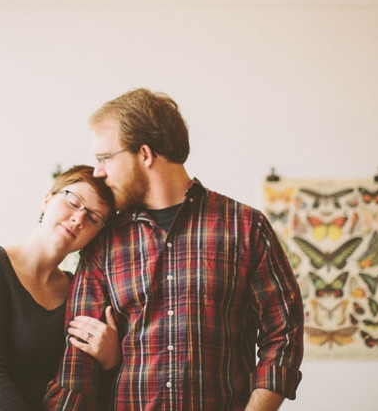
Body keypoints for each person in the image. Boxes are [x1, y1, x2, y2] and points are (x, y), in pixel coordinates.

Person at [44, 89, 304, 411]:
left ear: (144, 154)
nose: (98, 172)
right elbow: (77, 363)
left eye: (104, 158)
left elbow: (283, 334)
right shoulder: (105, 240)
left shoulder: (245, 226)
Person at [0, 165, 122, 411]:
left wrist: (111, 361)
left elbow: (87, 389)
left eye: (94, 218)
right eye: (73, 202)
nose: (79, 218)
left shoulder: (79, 292)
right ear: (47, 199)